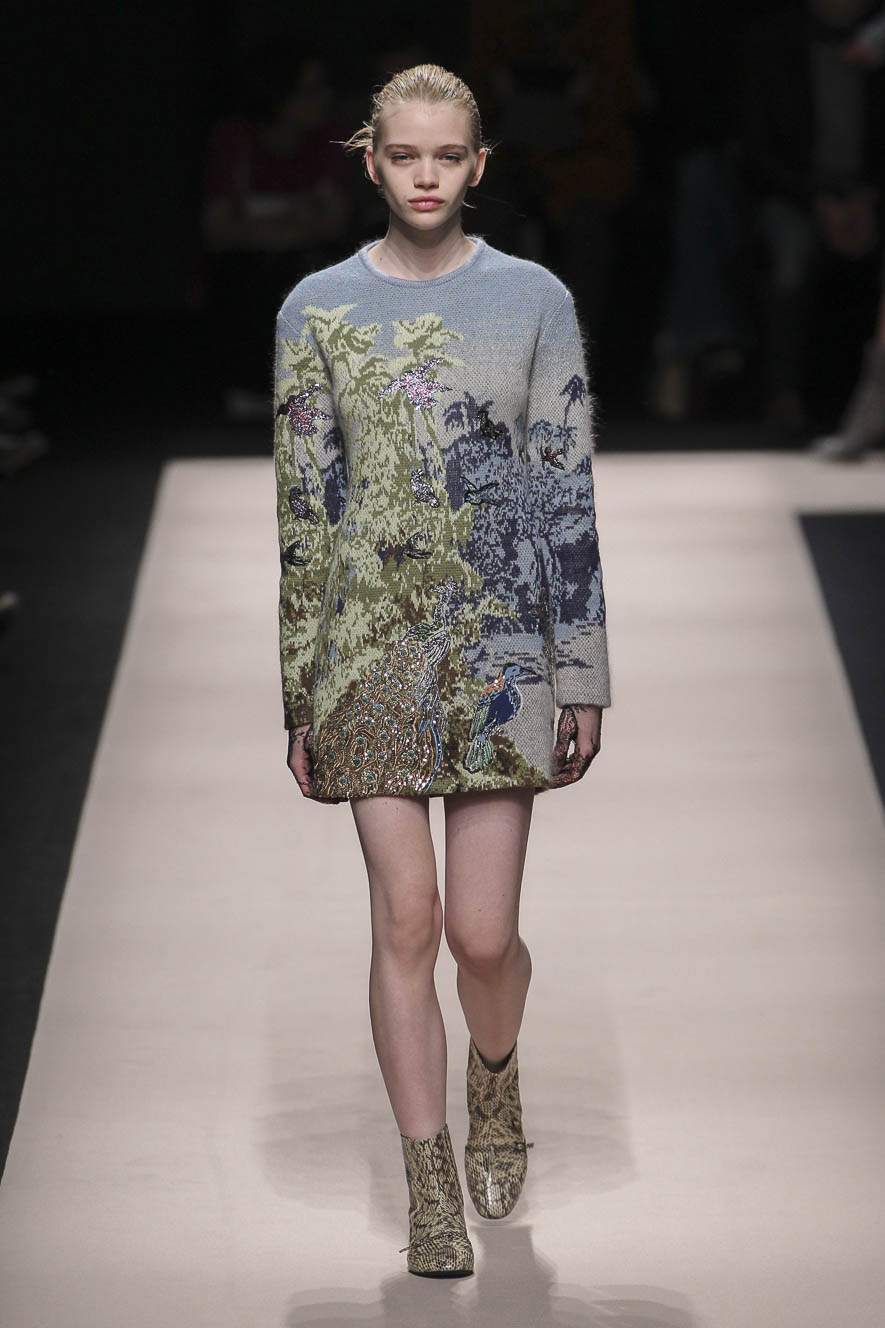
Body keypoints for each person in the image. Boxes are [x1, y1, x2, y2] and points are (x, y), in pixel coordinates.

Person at [272, 63, 612, 1278]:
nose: (425, 176)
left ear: (479, 165)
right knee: (406, 917)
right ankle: (429, 1181)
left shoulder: (534, 300)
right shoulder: (314, 308)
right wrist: (299, 686)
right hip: (365, 646)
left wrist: (582, 669)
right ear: (371, 160)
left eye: (448, 156)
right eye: (404, 155)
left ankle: (497, 1074)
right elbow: (305, 510)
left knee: (480, 933)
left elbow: (564, 486)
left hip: (500, 647)